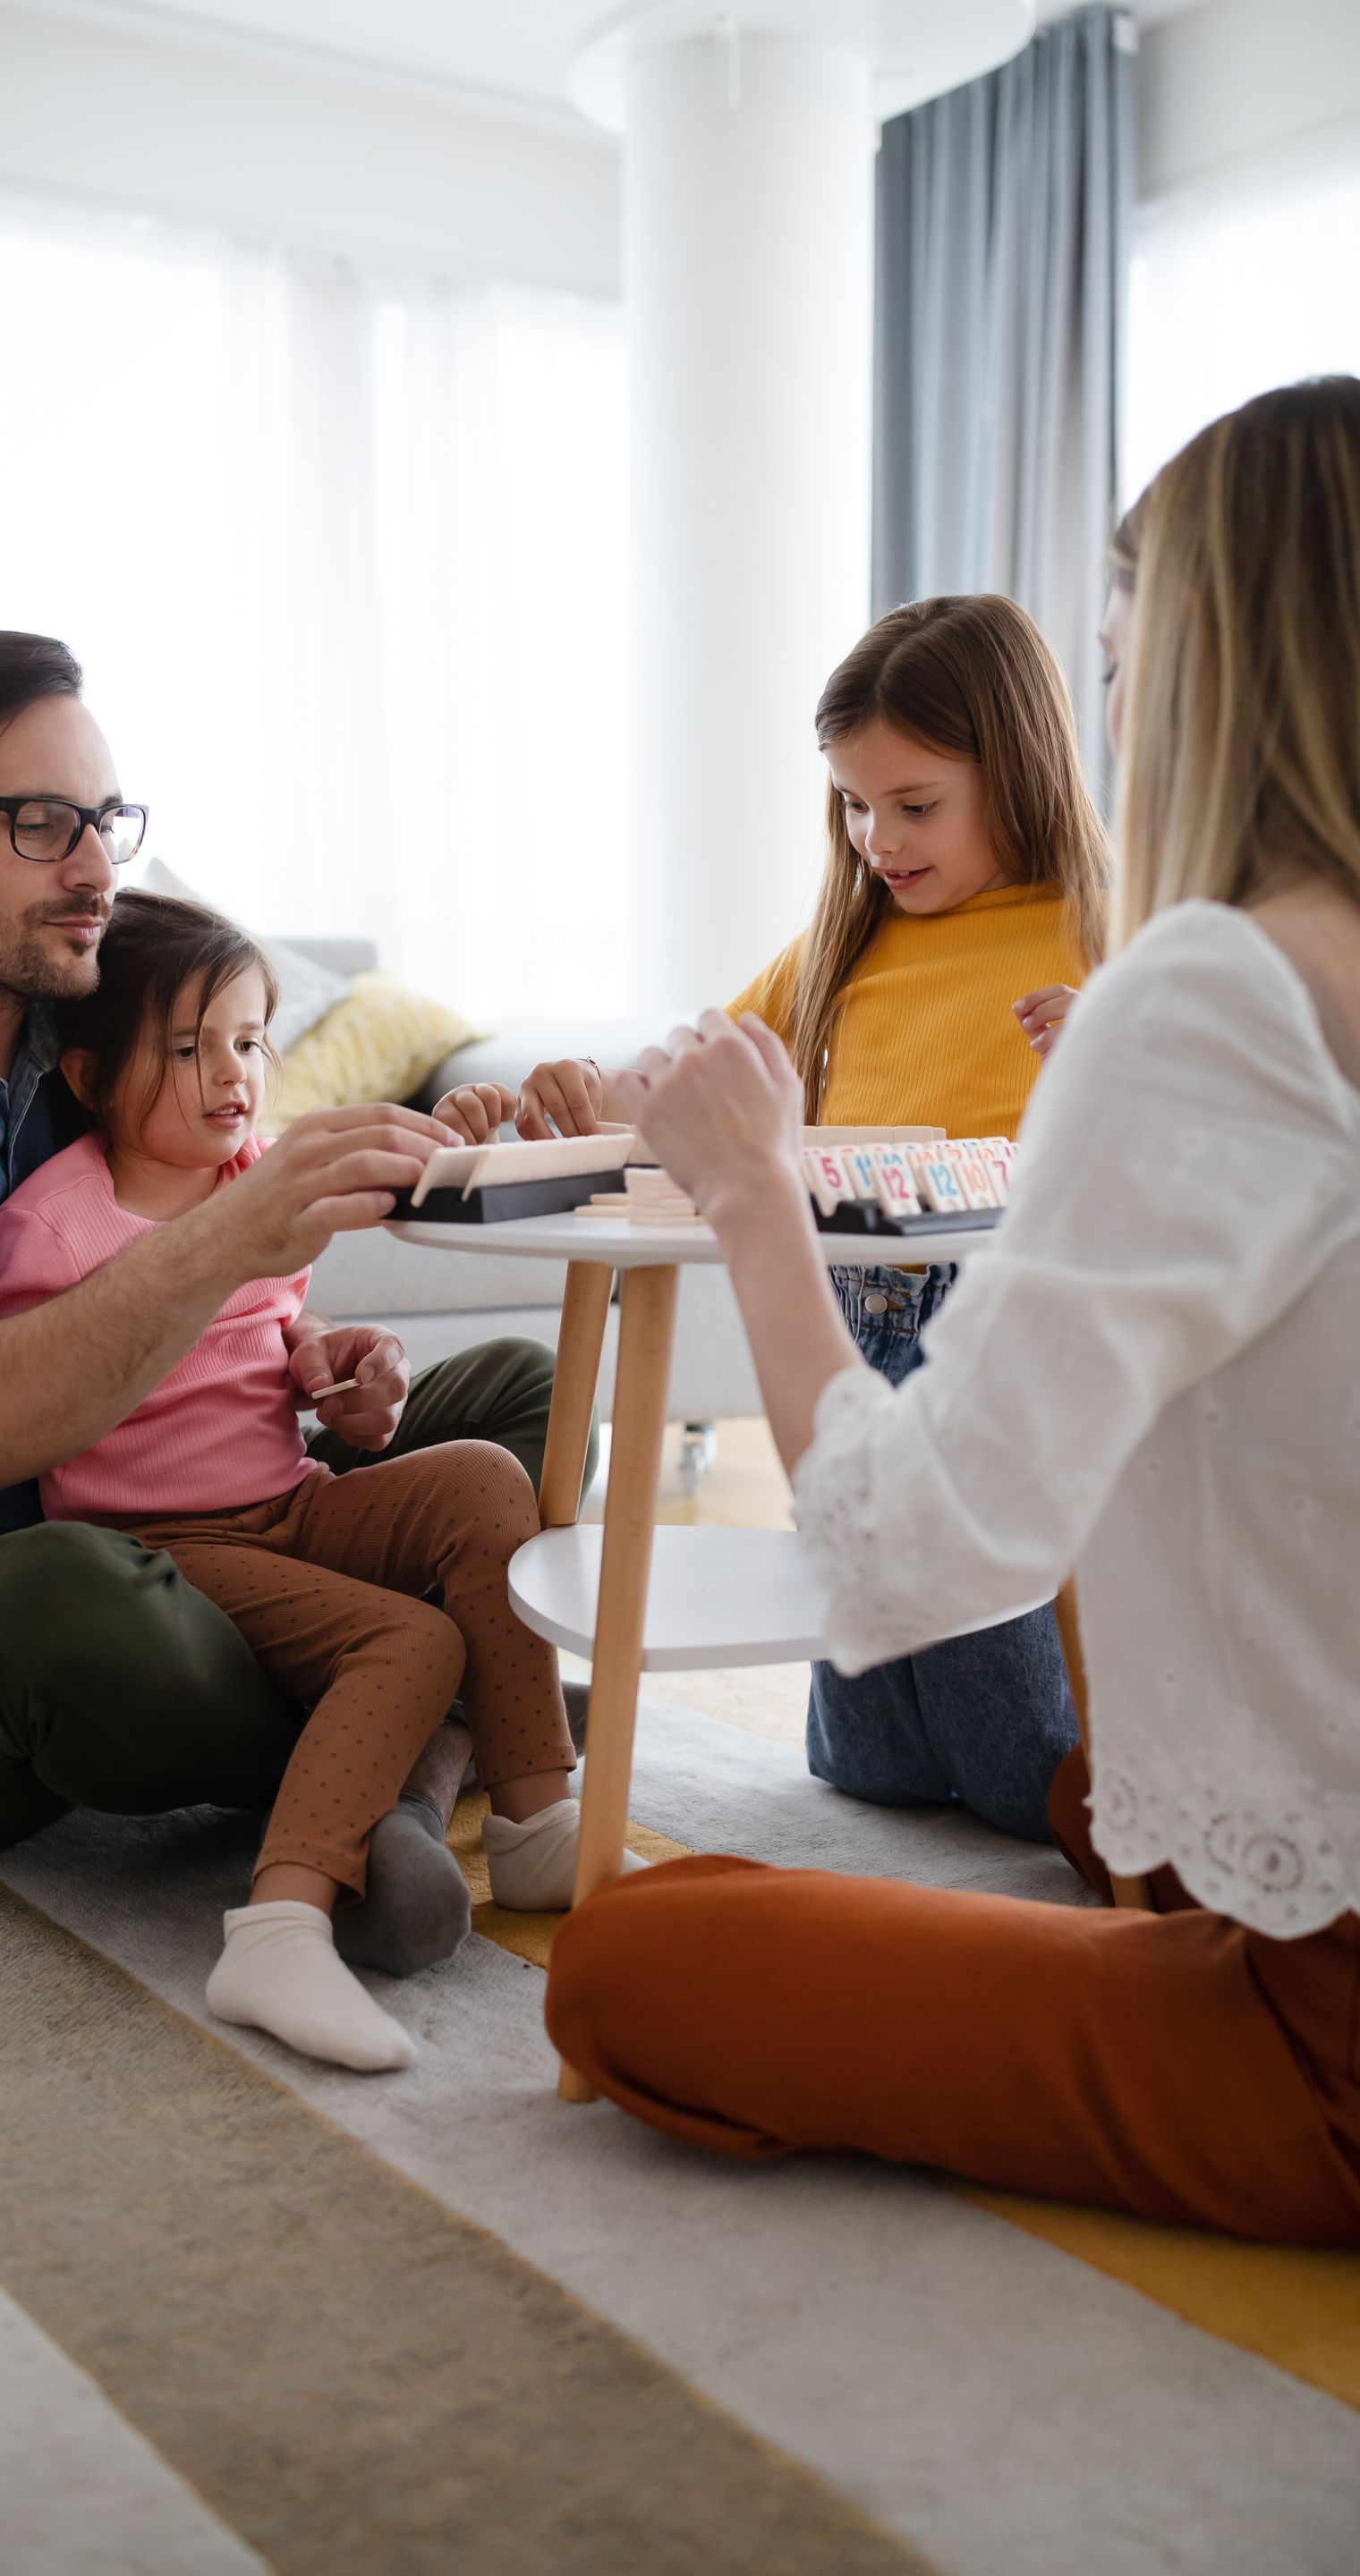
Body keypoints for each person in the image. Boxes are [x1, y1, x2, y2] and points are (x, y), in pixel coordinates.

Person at [546, 377, 1360, 2246]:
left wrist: (753, 1193)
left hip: (1329, 2024)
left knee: (636, 1959)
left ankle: (1092, 1832)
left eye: (1133, 654)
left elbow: (911, 1550)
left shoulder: (1198, 985)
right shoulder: (1026, 965)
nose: (1128, 699)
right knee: (870, 1762)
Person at [0, 629, 584, 1974]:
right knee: (76, 1604)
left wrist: (485, 1136)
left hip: (204, 1532)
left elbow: (276, 1213)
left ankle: (384, 1765)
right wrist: (228, 1236)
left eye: (104, 819)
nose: (98, 866)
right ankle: (439, 1720)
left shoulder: (114, 1024)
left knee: (525, 1396)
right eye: (42, 824)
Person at [441, 595, 1109, 1840]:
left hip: (998, 1322)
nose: (877, 840)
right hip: (843, 1313)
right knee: (869, 1758)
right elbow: (688, 1084)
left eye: (916, 806)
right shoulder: (840, 951)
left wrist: (1113, 1058)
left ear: (1017, 773)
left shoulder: (1105, 931)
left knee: (1016, 1745)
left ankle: (1093, 1810)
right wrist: (593, 1094)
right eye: (854, 805)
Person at [0, 888, 642, 2070]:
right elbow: (52, 1397)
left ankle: (542, 1819)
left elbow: (284, 1309)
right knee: (412, 1643)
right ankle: (278, 1928)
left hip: (288, 1501)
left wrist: (326, 1353)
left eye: (245, 1039)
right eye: (186, 1048)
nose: (231, 1072)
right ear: (89, 1077)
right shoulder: (59, 1227)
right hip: (171, 1550)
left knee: (486, 1476)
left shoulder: (256, 1174)